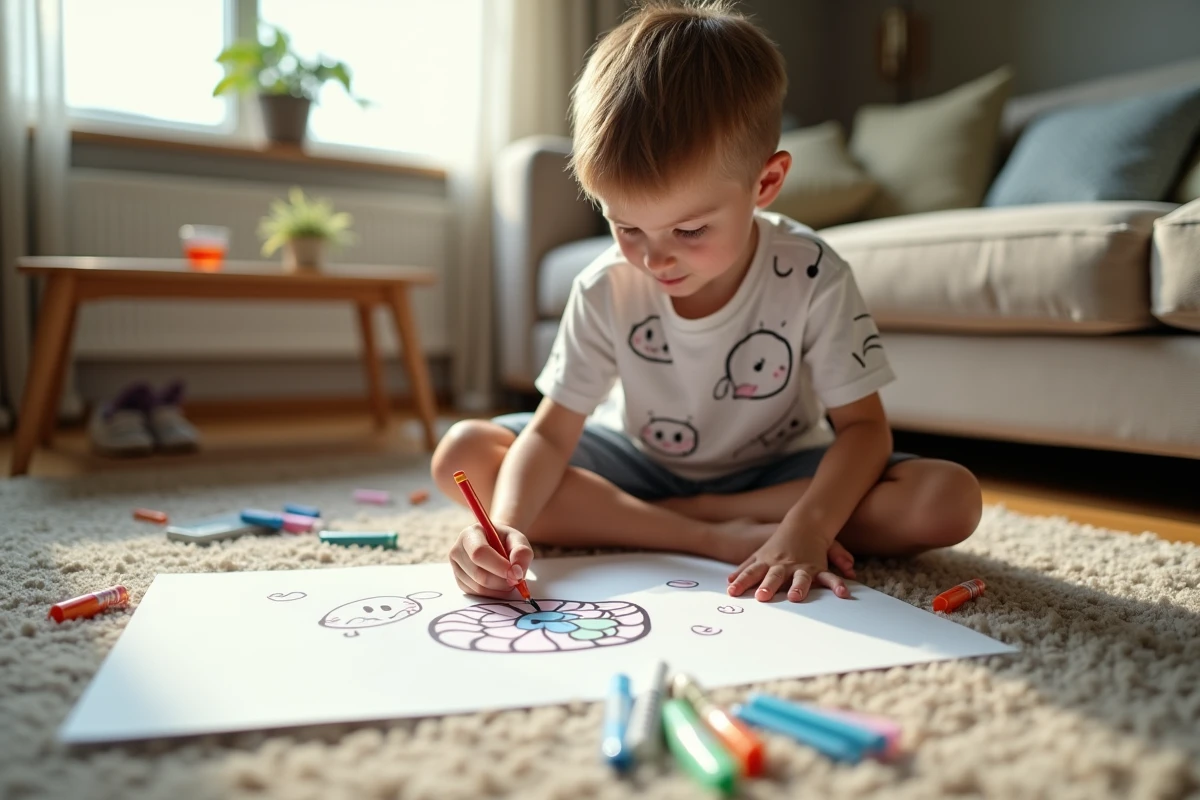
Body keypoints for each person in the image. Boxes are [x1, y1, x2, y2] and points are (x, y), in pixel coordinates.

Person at [432, 0, 982, 604]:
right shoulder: (604, 285)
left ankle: (669, 516)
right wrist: (506, 525)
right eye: (627, 227)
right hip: (636, 464)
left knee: (947, 499)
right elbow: (550, 435)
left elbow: (864, 431)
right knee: (463, 453)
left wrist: (810, 525)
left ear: (765, 184)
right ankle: (704, 534)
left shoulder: (811, 271)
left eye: (689, 230)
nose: (654, 259)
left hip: (776, 472)